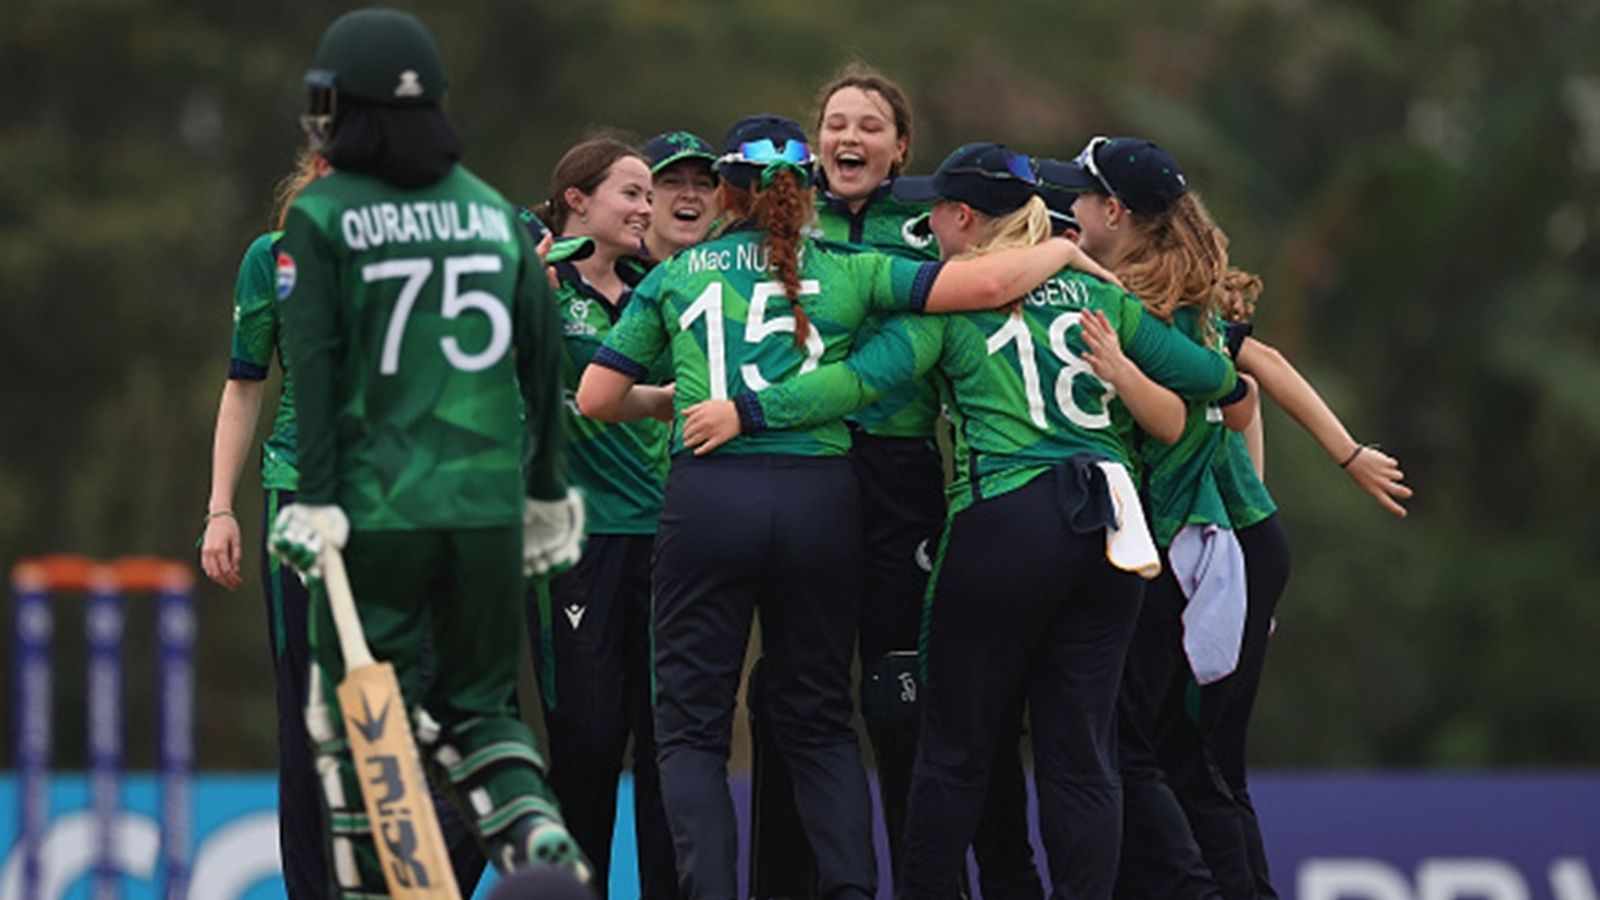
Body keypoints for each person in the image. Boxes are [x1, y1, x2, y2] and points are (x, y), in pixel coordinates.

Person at [677, 140, 1241, 900]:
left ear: (964, 219)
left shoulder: (956, 306)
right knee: (1082, 756)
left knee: (954, 751)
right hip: (1111, 527)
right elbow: (1217, 380)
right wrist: (1130, 365)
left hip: (1005, 517)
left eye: (934, 212)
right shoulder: (1101, 298)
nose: (926, 225)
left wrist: (750, 410)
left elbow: (854, 381)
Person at [576, 119, 1116, 900]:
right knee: (821, 720)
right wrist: (1065, 248)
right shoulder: (856, 267)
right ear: (808, 192)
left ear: (728, 191)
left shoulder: (680, 275)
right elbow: (990, 284)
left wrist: (683, 400)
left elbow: (595, 398)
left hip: (711, 496)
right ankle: (851, 892)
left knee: (691, 729)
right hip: (821, 499)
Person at [266, 8, 588, 893]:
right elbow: (543, 363)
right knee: (482, 721)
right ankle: (532, 842)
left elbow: (321, 386)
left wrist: (317, 505)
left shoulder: (325, 217)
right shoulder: (490, 213)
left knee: (362, 736)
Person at [1055, 136, 1410, 898]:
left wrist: (1340, 459)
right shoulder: (1177, 290)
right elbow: (1262, 376)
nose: (1071, 210)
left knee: (1162, 754)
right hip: (1236, 538)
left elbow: (1224, 389)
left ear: (1114, 211)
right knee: (1202, 760)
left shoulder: (1148, 305)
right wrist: (1340, 457)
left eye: (1081, 198)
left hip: (1210, 543)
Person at [751, 65, 1044, 900]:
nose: (850, 137)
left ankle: (932, 886)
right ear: (816, 142)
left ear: (901, 147)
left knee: (904, 696)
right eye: (836, 123)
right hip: (802, 465)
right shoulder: (781, 219)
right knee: (794, 696)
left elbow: (1012, 258)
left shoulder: (929, 219)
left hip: (899, 475)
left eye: (869, 126)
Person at [200, 149, 485, 897]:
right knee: (308, 719)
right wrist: (220, 508)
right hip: (303, 496)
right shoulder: (273, 259)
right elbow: (243, 387)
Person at [524, 136, 679, 899]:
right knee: (586, 740)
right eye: (632, 192)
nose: (646, 208)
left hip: (662, 535)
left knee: (666, 745)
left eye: (649, 196)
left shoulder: (659, 288)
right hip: (569, 541)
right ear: (577, 199)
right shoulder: (535, 281)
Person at [642, 130, 719, 261]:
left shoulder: (735, 273)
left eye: (702, 184)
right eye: (672, 182)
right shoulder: (614, 272)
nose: (690, 195)